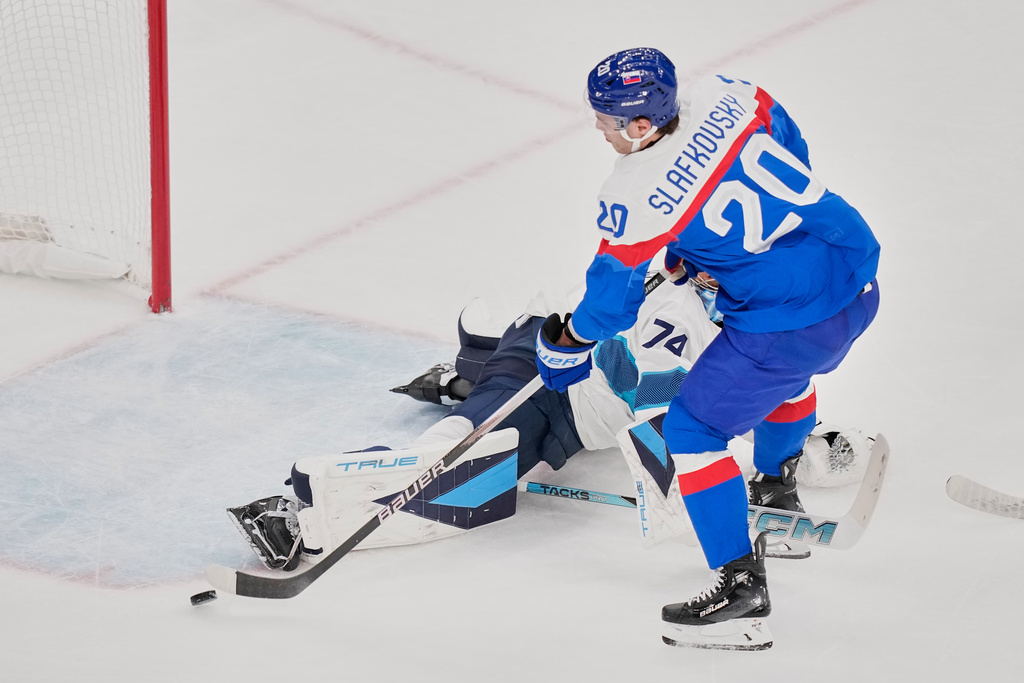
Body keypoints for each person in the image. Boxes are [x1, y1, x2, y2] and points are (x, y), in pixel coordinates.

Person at [533, 48, 880, 650]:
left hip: (787, 323)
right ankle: (776, 490)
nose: (598, 127)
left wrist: (567, 343)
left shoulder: (635, 191)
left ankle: (740, 592)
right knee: (783, 381)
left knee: (692, 430)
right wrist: (710, 246)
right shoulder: (729, 92)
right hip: (855, 275)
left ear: (641, 126)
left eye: (607, 119)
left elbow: (610, 304)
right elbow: (788, 144)